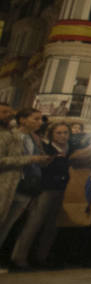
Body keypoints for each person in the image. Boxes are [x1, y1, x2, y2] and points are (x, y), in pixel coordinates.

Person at [10, 121, 91, 269]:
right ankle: (19, 257)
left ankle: (42, 257)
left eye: (65, 133)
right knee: (34, 224)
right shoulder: (46, 148)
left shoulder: (71, 149)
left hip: (62, 189)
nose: (63, 136)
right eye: (59, 133)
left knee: (52, 226)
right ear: (52, 135)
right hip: (46, 189)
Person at [0, 107, 53, 255]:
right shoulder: (9, 136)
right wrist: (30, 159)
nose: (39, 122)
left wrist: (42, 161)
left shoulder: (35, 139)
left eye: (40, 119)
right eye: (35, 119)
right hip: (8, 185)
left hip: (26, 187)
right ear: (22, 120)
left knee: (7, 226)